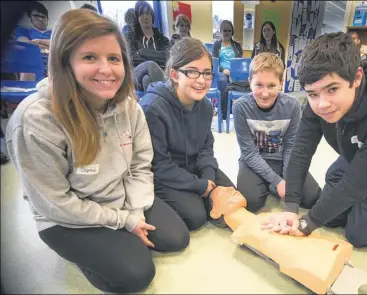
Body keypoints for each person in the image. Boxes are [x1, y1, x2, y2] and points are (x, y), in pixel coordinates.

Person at [6, 9, 189, 293]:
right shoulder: (35, 120)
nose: (106, 70)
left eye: (114, 58)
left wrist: (136, 212)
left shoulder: (129, 107)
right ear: (65, 61)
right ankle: (84, 252)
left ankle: (117, 239)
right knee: (137, 273)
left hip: (120, 197)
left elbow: (141, 165)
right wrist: (122, 221)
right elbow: (55, 202)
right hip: (66, 216)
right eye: (90, 57)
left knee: (177, 238)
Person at [261, 32, 367, 248]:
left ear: (356, 78)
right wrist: (291, 207)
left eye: (332, 89)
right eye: (312, 94)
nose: (321, 104)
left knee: (359, 236)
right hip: (357, 155)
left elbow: (357, 185)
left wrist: (306, 224)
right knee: (332, 217)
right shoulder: (315, 103)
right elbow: (300, 151)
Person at [140, 38, 235, 231]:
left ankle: (202, 196)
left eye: (207, 73)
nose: (201, 80)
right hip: (166, 175)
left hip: (194, 166)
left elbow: (206, 146)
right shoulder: (153, 108)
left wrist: (208, 176)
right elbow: (158, 165)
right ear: (174, 74)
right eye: (192, 72)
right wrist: (199, 186)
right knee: (196, 217)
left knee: (233, 197)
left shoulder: (206, 106)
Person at [233, 52, 320, 213]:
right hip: (253, 161)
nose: (265, 93)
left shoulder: (292, 106)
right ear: (250, 82)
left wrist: (288, 181)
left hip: (283, 160)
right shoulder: (240, 107)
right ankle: (270, 184)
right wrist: (278, 182)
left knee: (312, 198)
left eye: (271, 85)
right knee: (250, 202)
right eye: (258, 85)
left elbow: (290, 148)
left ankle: (270, 186)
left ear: (281, 83)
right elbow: (249, 153)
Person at [125, 1, 170, 69]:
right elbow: (131, 60)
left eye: (147, 13)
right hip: (138, 76)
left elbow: (166, 59)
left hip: (162, 75)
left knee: (147, 78)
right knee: (146, 78)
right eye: (141, 14)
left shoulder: (164, 40)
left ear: (152, 16)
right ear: (138, 19)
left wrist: (142, 52)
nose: (145, 17)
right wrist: (156, 58)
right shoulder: (130, 38)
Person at [15, 1, 51, 80]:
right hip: (31, 66)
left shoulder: (54, 32)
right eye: (36, 15)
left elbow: (58, 45)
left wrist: (38, 41)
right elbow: (24, 43)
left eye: (43, 16)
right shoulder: (23, 30)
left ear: (47, 19)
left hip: (52, 64)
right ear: (30, 17)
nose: (40, 19)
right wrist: (49, 45)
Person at [212, 20, 243, 106]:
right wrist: (224, 70)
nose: (227, 33)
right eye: (225, 30)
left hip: (234, 71)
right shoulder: (217, 44)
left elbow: (239, 61)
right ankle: (224, 108)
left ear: (232, 32)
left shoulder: (237, 45)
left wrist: (232, 71)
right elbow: (215, 61)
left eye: (229, 30)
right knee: (222, 80)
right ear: (221, 31)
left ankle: (236, 107)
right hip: (222, 71)